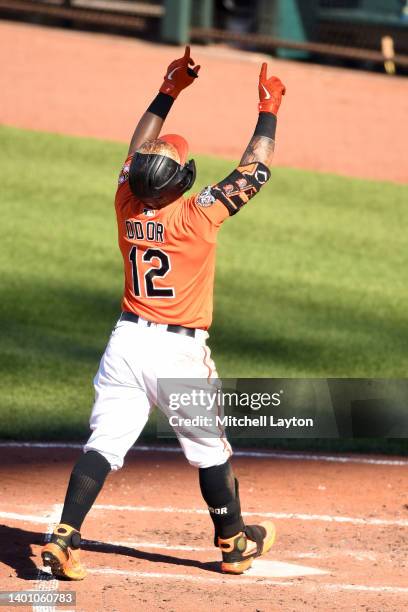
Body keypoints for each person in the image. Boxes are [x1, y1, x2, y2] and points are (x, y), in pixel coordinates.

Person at [40, 46, 286, 579]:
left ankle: (65, 534)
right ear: (177, 181)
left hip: (124, 346)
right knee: (208, 449)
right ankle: (234, 541)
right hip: (177, 353)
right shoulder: (197, 216)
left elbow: (138, 149)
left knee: (104, 443)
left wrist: (169, 89)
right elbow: (256, 168)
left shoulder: (126, 203)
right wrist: (269, 109)